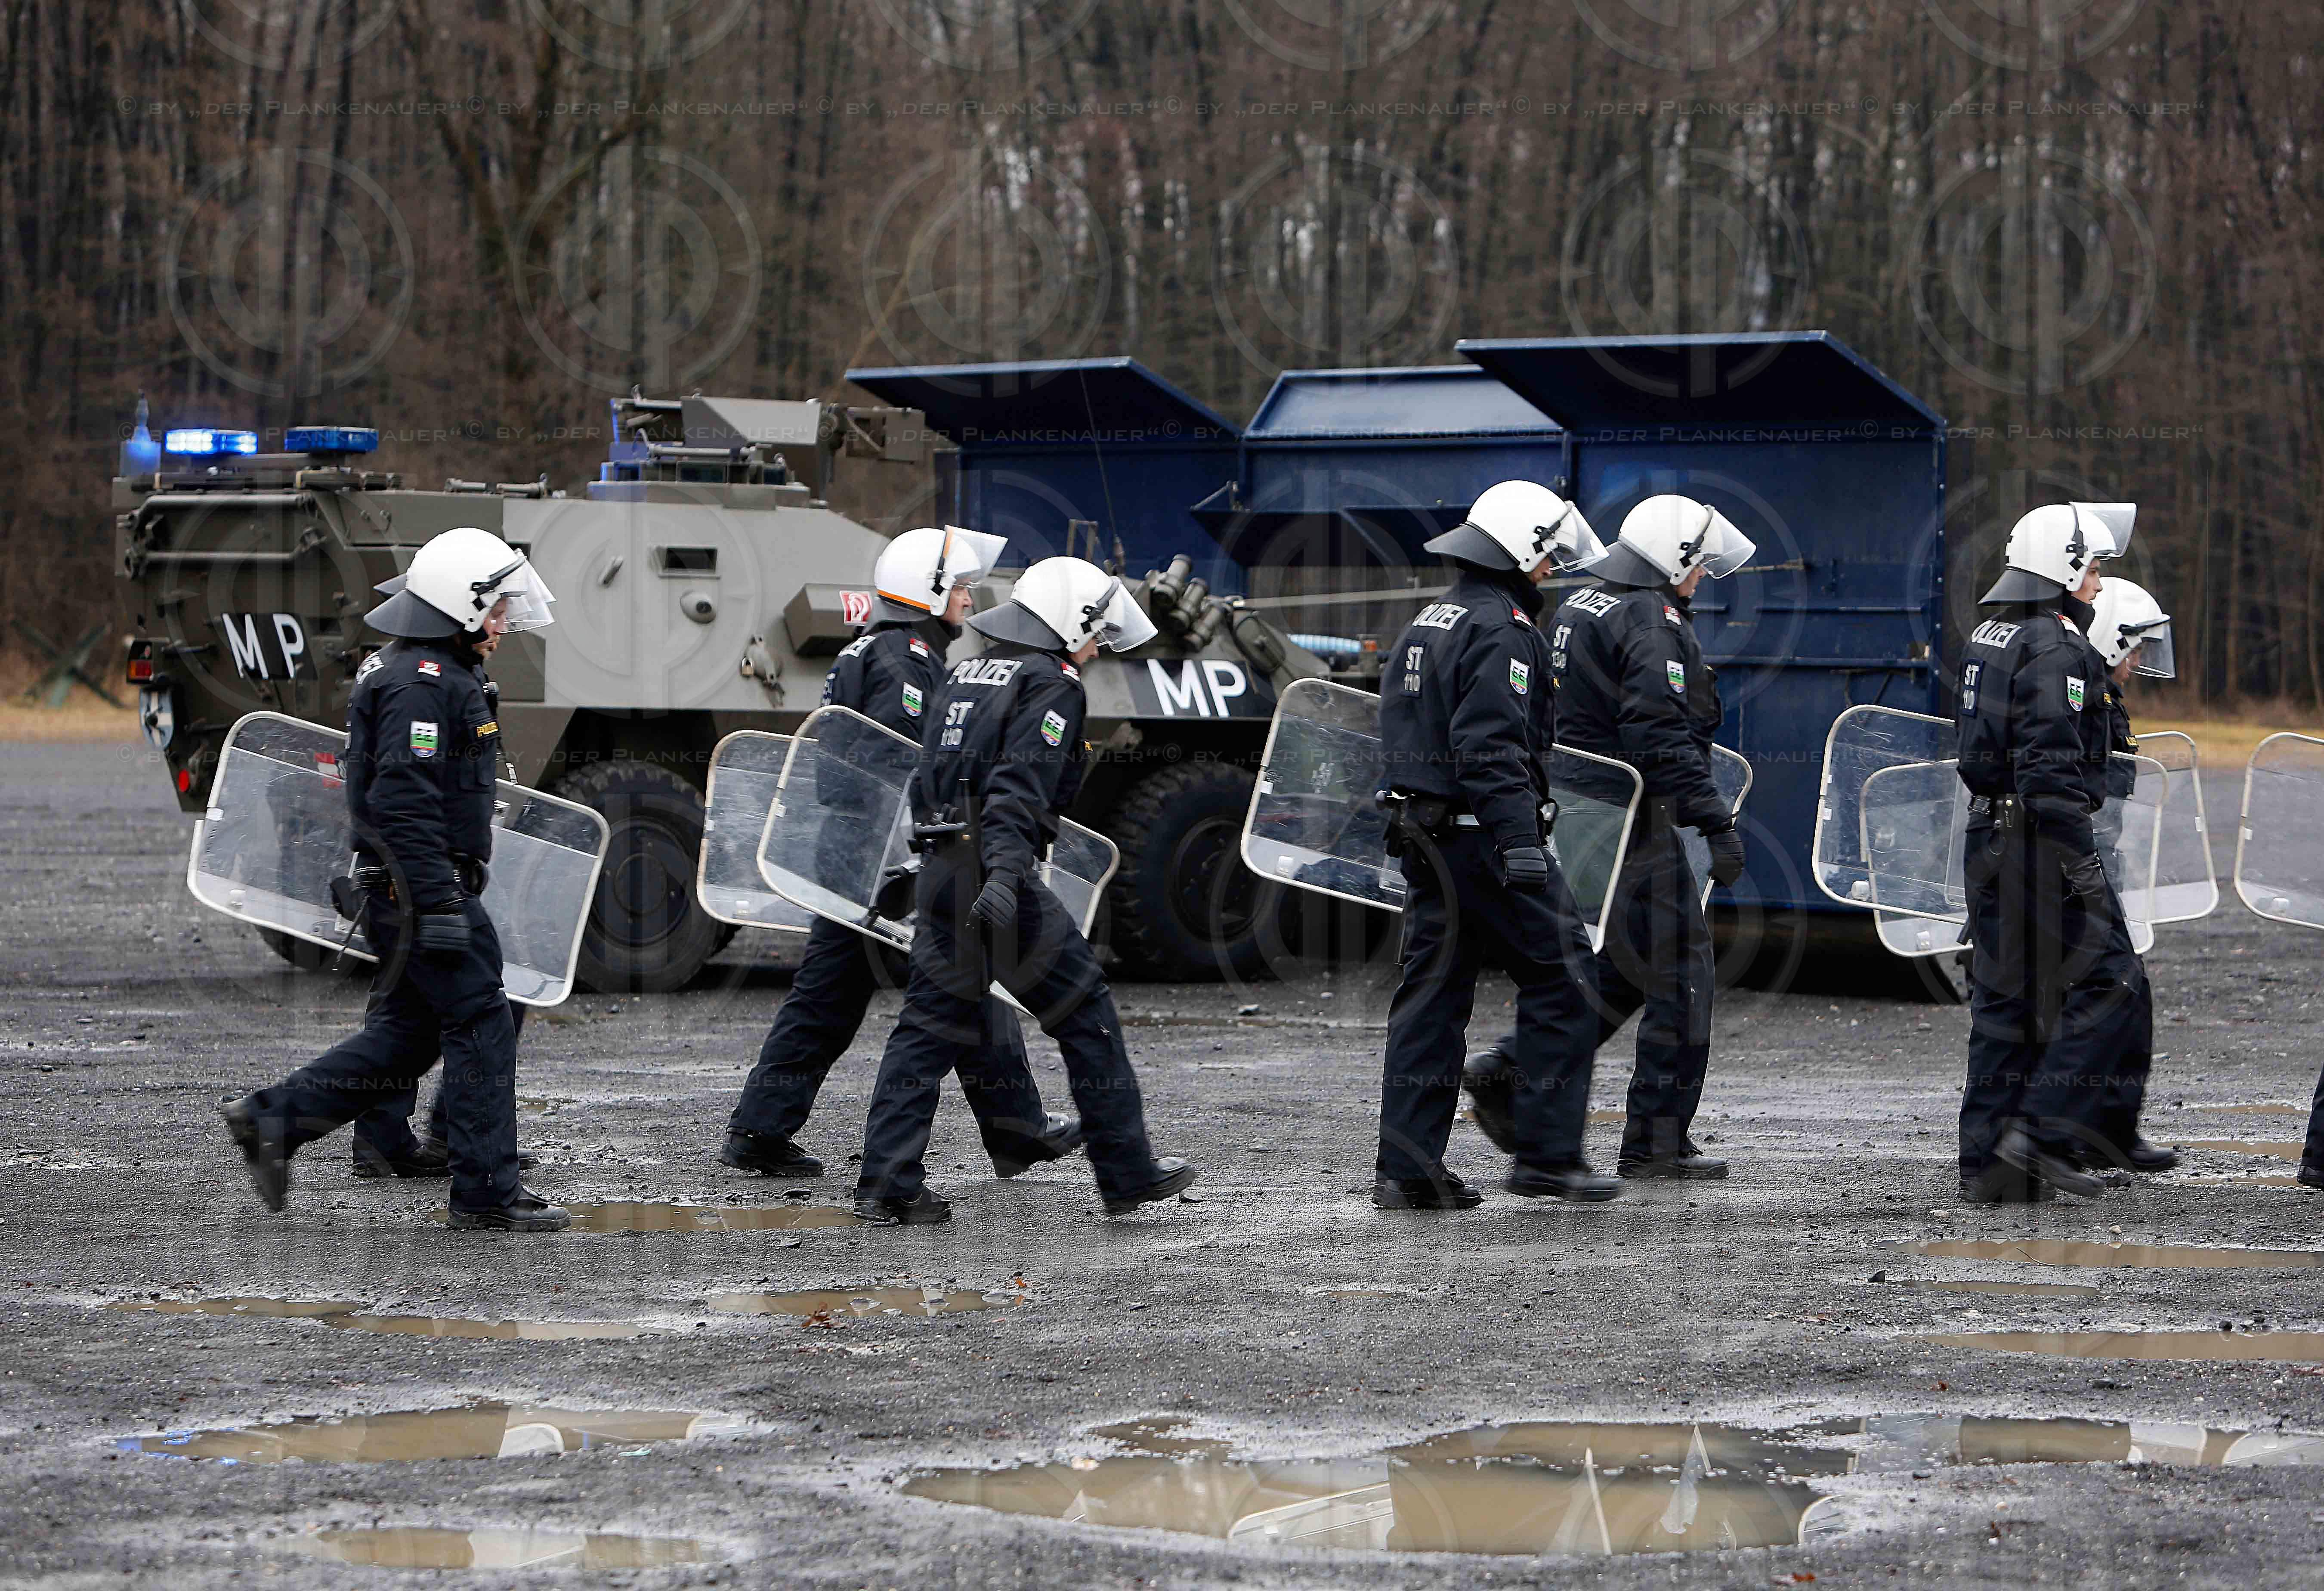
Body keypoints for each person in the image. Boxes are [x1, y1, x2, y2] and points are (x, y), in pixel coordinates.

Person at [218, 526, 570, 1231]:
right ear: (457, 606)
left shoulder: (424, 672)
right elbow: (400, 803)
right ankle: (484, 1193)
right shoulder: (420, 684)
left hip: (408, 889)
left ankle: (274, 1121)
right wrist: (438, 898)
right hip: (417, 891)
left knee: (409, 1038)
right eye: (493, 610)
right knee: (481, 1019)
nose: (502, 624)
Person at [717, 526, 1082, 1182]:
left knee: (827, 999)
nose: (971, 603)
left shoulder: (872, 650)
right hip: (886, 860)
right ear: (931, 591)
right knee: (966, 986)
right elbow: (907, 770)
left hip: (854, 859)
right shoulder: (906, 659)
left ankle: (760, 1127)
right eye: (963, 589)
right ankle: (1013, 1130)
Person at [851, 555, 1196, 1224]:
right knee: (1086, 1013)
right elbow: (1016, 789)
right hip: (995, 876)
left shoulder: (964, 672)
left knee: (926, 1030)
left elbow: (926, 776)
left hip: (943, 869)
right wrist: (1008, 878)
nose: (1096, 649)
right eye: (1094, 633)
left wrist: (921, 864)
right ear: (1072, 620)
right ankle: (1125, 1173)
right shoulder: (1051, 682)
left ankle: (887, 1185)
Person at [1466, 494, 1752, 1182]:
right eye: (1699, 566)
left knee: (1624, 969)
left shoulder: (1580, 605)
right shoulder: (1652, 620)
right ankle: (1655, 1142)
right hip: (1634, 819)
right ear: (1675, 558)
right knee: (1685, 977)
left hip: (1583, 810)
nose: (1702, 579)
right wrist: (1715, 820)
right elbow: (1659, 734)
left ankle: (1512, 1066)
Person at [1372, 480, 1621, 1210]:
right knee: (1569, 979)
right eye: (1546, 555)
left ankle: (1407, 1171)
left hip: (1426, 837)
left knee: (1431, 1001)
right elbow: (1489, 745)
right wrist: (1519, 843)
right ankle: (1547, 1157)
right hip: (1485, 836)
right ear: (1523, 550)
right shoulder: (1504, 628)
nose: (1551, 569)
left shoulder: (1432, 618)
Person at [1953, 502, 2142, 1201]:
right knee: (2111, 979)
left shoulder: (1992, 634)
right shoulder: (2059, 648)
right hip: (2042, 842)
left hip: (1991, 837)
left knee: (2004, 1002)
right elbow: (2049, 769)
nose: (2097, 585)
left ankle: (1987, 1166)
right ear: (2063, 570)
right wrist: (2083, 864)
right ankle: (2043, 1132)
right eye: (2092, 569)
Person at [2087, 576, 2180, 1175]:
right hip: (2081, 866)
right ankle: (2092, 1132)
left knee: (2123, 994)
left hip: (2098, 864)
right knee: (2116, 993)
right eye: (2135, 648)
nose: (2140, 659)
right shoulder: (2084, 701)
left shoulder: (2103, 701)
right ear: (2112, 643)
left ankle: (2110, 1130)